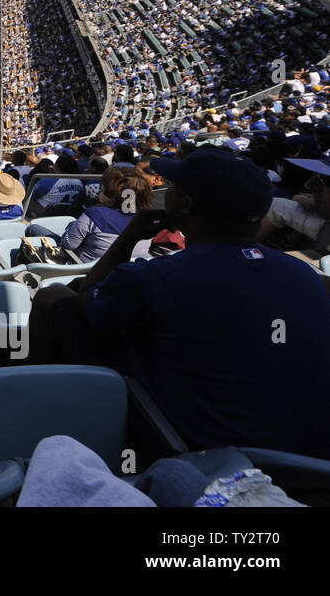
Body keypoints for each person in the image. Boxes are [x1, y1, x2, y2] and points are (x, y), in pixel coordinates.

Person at [27, 149, 330, 457]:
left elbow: (86, 299)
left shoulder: (152, 278)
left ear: (185, 205)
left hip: (197, 452)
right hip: (303, 458)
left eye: (171, 186)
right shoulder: (303, 274)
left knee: (56, 296)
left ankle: (37, 410)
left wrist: (128, 239)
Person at [21, 167, 151, 264]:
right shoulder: (147, 220)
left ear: (111, 195)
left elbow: (68, 244)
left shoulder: (95, 214)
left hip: (81, 267)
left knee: (33, 228)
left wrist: (72, 225)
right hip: (123, 271)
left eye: (103, 187)